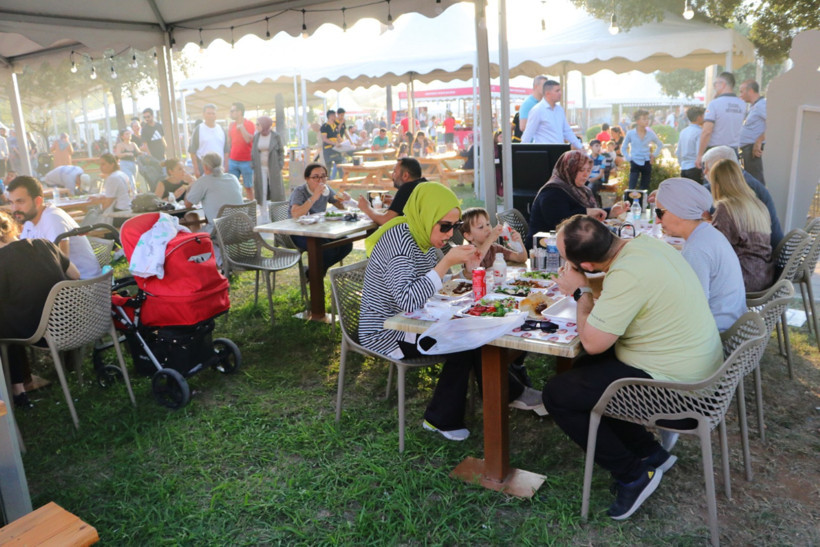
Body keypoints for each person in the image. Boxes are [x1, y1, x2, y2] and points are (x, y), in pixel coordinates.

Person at [543, 214, 723, 520]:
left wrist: (582, 292)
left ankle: (633, 475)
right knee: (589, 368)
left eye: (565, 260)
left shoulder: (627, 276)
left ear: (585, 265)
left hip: (681, 392)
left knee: (558, 393)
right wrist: (587, 283)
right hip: (698, 369)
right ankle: (649, 451)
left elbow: (593, 341)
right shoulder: (645, 246)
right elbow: (618, 285)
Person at [359, 182, 543, 441]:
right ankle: (441, 418)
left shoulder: (423, 233)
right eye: (444, 226)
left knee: (477, 328)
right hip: (388, 329)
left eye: (454, 227)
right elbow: (408, 299)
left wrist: (467, 267)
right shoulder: (399, 243)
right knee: (465, 341)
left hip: (421, 317)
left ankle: (508, 392)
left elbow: (444, 280)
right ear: (426, 215)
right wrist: (446, 262)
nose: (449, 233)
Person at [0, 210, 80, 409]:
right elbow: (75, 275)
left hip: (39, 332)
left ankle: (17, 392)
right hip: (73, 322)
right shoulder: (45, 244)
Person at [655, 178, 745, 331]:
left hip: (716, 333)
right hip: (730, 323)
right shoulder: (707, 233)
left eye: (659, 212)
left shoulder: (697, 248)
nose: (657, 220)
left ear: (679, 210)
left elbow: (693, 310)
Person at [527, 150, 627, 248]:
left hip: (573, 244)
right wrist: (587, 212)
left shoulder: (581, 190)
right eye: (581, 170)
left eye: (588, 170)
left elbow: (586, 213)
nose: (586, 174)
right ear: (569, 169)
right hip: (545, 250)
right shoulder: (552, 191)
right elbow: (558, 223)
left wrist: (610, 213)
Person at [7, 175, 101, 279]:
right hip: (62, 282)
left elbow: (60, 267)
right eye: (11, 203)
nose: (14, 208)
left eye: (20, 202)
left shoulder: (53, 219)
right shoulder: (29, 219)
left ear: (38, 201)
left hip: (81, 286)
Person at [709, 159, 774, 292]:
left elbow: (715, 247)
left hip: (742, 279)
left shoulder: (726, 208)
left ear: (717, 183)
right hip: (764, 276)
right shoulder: (758, 205)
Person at [702, 145, 782, 248]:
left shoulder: (734, 199)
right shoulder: (746, 186)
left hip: (747, 259)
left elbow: (719, 243)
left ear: (722, 169)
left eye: (708, 169)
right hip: (763, 258)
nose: (704, 172)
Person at [287, 163, 352, 276]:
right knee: (326, 250)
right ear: (307, 178)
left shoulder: (326, 189)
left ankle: (311, 273)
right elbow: (295, 214)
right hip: (298, 232)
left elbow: (341, 207)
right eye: (315, 177)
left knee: (346, 244)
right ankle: (315, 278)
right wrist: (314, 196)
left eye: (323, 176)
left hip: (319, 231)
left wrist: (344, 200)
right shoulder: (300, 191)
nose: (320, 180)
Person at [184, 152, 244, 234]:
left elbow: (187, 205)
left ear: (205, 167)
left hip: (219, 231)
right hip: (241, 228)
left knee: (192, 232)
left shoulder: (203, 182)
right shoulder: (233, 178)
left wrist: (190, 186)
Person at [696, 72, 746, 169]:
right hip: (733, 151)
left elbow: (707, 131)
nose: (714, 87)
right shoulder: (742, 104)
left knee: (712, 182)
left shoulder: (714, 104)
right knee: (730, 182)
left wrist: (700, 155)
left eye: (715, 84)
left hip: (715, 151)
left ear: (723, 84)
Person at [357, 158, 426, 226]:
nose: (393, 175)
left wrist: (367, 208)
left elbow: (385, 221)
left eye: (395, 172)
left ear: (405, 175)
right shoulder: (424, 184)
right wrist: (396, 204)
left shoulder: (407, 188)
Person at [460, 207, 526, 275]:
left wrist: (519, 242)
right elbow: (472, 271)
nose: (487, 229)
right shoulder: (469, 253)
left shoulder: (495, 249)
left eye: (488, 224)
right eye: (481, 227)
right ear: (468, 235)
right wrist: (490, 238)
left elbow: (521, 258)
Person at [519, 80, 582, 149]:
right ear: (548, 93)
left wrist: (580, 147)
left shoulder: (560, 110)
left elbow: (567, 131)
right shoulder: (537, 110)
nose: (560, 93)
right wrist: (521, 154)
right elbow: (528, 134)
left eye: (560, 90)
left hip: (559, 151)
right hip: (543, 153)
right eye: (557, 91)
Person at [250, 116, 286, 219]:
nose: (257, 126)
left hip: (273, 167)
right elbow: (253, 151)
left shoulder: (275, 136)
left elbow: (281, 151)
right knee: (262, 190)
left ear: (265, 125)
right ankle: (263, 215)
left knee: (276, 190)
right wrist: (253, 163)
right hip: (259, 167)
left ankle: (276, 214)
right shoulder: (256, 136)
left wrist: (280, 164)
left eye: (258, 124)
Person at [621, 109, 663, 191]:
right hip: (635, 161)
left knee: (644, 188)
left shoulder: (650, 133)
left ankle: (643, 203)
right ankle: (629, 203)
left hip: (646, 162)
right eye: (644, 119)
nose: (647, 121)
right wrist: (628, 158)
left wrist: (654, 155)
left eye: (648, 118)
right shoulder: (630, 133)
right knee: (631, 187)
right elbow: (623, 147)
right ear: (637, 121)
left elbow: (660, 144)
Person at [88, 153, 132, 227]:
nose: (101, 167)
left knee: (93, 220)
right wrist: (100, 198)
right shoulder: (121, 174)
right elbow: (116, 195)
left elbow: (108, 203)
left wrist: (99, 210)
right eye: (100, 165)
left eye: (103, 164)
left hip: (120, 214)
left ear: (112, 164)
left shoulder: (113, 178)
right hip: (129, 209)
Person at [738, 79, 767, 184]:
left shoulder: (761, 105)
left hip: (754, 150)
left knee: (755, 183)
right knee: (751, 182)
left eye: (742, 91)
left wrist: (758, 141)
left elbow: (775, 123)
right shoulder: (754, 106)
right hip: (748, 150)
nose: (740, 95)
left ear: (750, 91)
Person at [189, 104, 229, 178]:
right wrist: (196, 169)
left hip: (219, 169)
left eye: (213, 113)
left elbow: (226, 150)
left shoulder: (221, 129)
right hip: (204, 169)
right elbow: (192, 151)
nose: (211, 115)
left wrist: (226, 166)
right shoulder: (198, 129)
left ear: (216, 115)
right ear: (204, 115)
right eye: (209, 113)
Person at [227, 102, 255, 201]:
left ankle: (252, 211)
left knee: (248, 187)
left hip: (247, 161)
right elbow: (229, 142)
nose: (231, 113)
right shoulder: (231, 125)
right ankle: (235, 208)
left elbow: (248, 139)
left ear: (239, 112)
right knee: (232, 187)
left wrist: (242, 128)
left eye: (232, 111)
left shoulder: (249, 124)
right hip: (233, 160)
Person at [676, 106, 705, 183]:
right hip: (695, 168)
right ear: (699, 117)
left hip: (684, 168)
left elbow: (678, 152)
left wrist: (681, 164)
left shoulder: (683, 132)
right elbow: (699, 152)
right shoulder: (700, 132)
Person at [113, 129, 141, 194]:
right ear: (122, 136)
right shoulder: (120, 145)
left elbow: (139, 152)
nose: (129, 135)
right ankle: (134, 195)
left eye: (130, 134)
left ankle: (128, 194)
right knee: (131, 180)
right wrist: (126, 154)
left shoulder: (133, 144)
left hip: (134, 164)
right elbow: (118, 155)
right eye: (127, 134)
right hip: (125, 164)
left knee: (133, 180)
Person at [587, 139, 605, 203]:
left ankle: (593, 204)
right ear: (591, 147)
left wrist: (592, 179)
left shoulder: (602, 158)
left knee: (590, 187)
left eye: (600, 146)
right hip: (588, 179)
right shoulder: (587, 158)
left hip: (597, 179)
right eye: (596, 146)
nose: (599, 148)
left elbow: (601, 175)